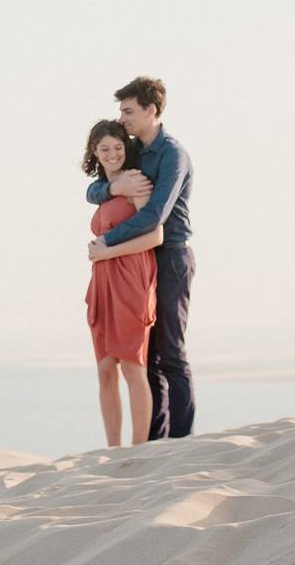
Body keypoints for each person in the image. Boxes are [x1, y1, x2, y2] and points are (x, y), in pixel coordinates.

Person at [87, 77, 196, 440]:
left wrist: (106, 242)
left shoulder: (172, 154)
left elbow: (153, 217)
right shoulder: (134, 150)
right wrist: (111, 187)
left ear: (151, 110)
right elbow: (99, 182)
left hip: (171, 256)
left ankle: (181, 441)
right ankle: (153, 441)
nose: (122, 117)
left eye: (128, 110)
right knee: (146, 359)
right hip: (139, 260)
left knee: (171, 353)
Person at [83, 120, 165, 446]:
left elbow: (155, 235)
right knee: (105, 370)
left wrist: (109, 251)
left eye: (118, 147)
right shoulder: (103, 190)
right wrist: (102, 257)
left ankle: (139, 449)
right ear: (95, 152)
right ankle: (112, 450)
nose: (113, 153)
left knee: (133, 367)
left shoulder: (136, 182)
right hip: (102, 282)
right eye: (105, 149)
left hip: (131, 276)